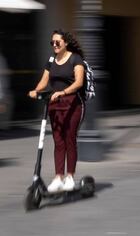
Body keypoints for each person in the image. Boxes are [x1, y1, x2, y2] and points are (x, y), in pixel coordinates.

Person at [28, 29, 85, 192]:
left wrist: (63, 92)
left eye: (57, 42)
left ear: (65, 43)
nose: (54, 45)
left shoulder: (75, 59)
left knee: (69, 139)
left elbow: (79, 82)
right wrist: (35, 91)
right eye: (52, 42)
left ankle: (70, 177)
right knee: (58, 141)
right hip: (55, 104)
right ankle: (59, 177)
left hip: (74, 103)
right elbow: (44, 81)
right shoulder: (51, 60)